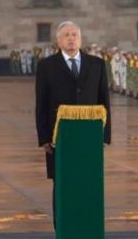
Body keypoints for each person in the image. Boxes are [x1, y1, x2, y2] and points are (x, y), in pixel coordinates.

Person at [35, 21, 111, 228]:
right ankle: (63, 228)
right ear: (58, 41)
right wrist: (43, 138)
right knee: (62, 183)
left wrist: (104, 136)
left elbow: (104, 102)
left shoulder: (96, 64)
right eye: (67, 35)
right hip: (59, 138)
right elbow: (41, 104)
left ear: (81, 39)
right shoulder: (46, 66)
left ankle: (86, 226)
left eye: (75, 34)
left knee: (87, 181)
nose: (71, 38)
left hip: (89, 137)